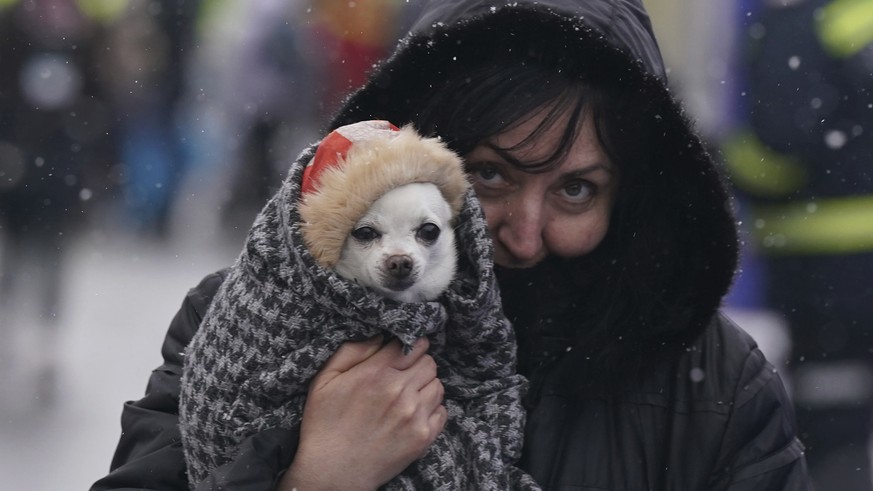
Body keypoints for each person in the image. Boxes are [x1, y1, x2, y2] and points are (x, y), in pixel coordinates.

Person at [91, 1, 812, 490]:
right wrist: (317, 476)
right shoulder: (239, 322)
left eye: (575, 190)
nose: (523, 233)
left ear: (630, 198)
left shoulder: (715, 385)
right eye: (490, 174)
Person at [721, 0, 873, 488]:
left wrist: (710, 159)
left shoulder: (800, 26)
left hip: (829, 268)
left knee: (834, 415)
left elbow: (778, 154)